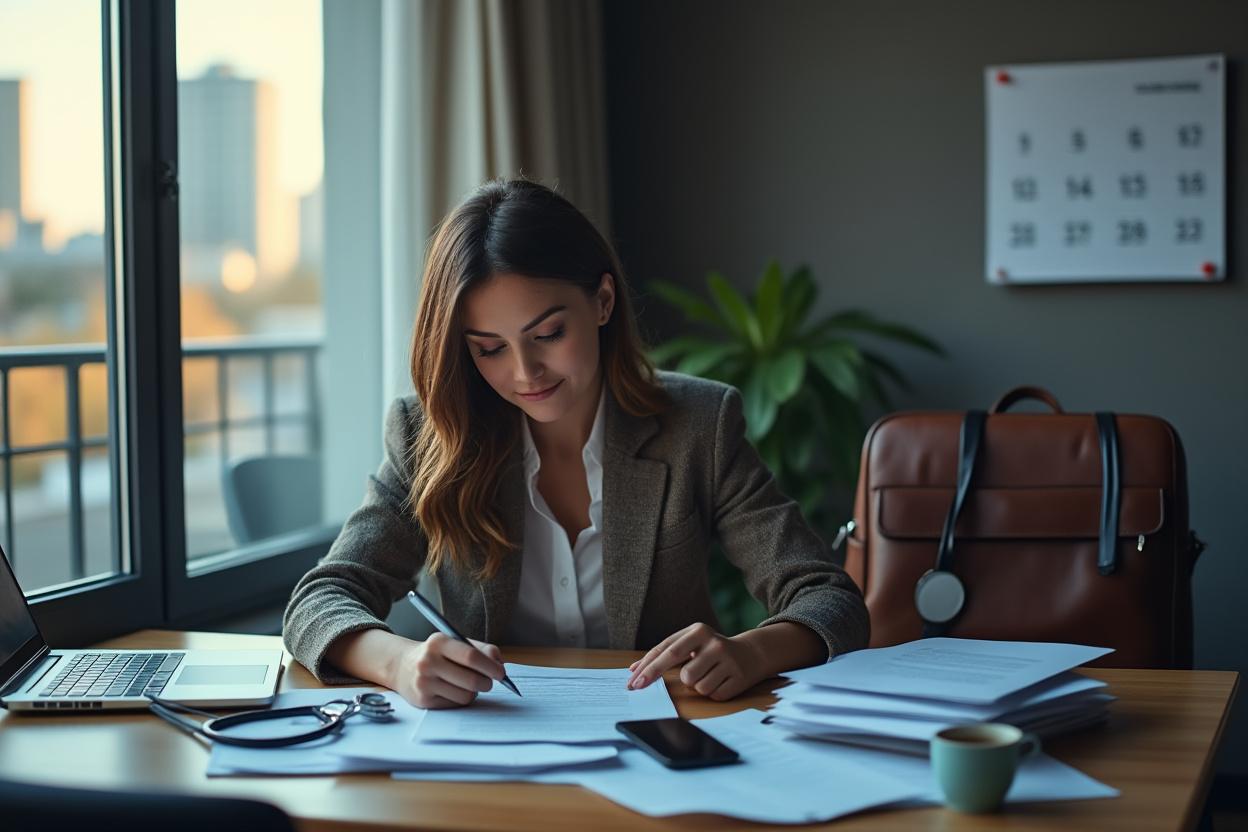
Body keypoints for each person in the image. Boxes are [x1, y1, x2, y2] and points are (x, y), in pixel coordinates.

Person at [283, 178, 868, 709]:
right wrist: (400, 661)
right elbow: (320, 600)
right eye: (489, 348)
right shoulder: (428, 435)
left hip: (662, 736)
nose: (524, 372)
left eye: (548, 334)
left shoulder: (699, 424)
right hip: (493, 741)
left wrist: (753, 651)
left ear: (603, 302)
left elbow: (829, 598)